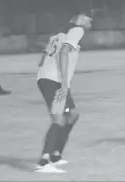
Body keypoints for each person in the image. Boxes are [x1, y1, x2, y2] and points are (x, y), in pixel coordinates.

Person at [35, 13, 92, 173]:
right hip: (55, 80)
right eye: (89, 20)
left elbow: (44, 56)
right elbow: (64, 52)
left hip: (49, 78)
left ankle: (55, 154)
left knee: (73, 114)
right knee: (59, 119)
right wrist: (64, 83)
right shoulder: (77, 30)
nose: (90, 24)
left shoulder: (58, 35)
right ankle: (44, 162)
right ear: (80, 19)